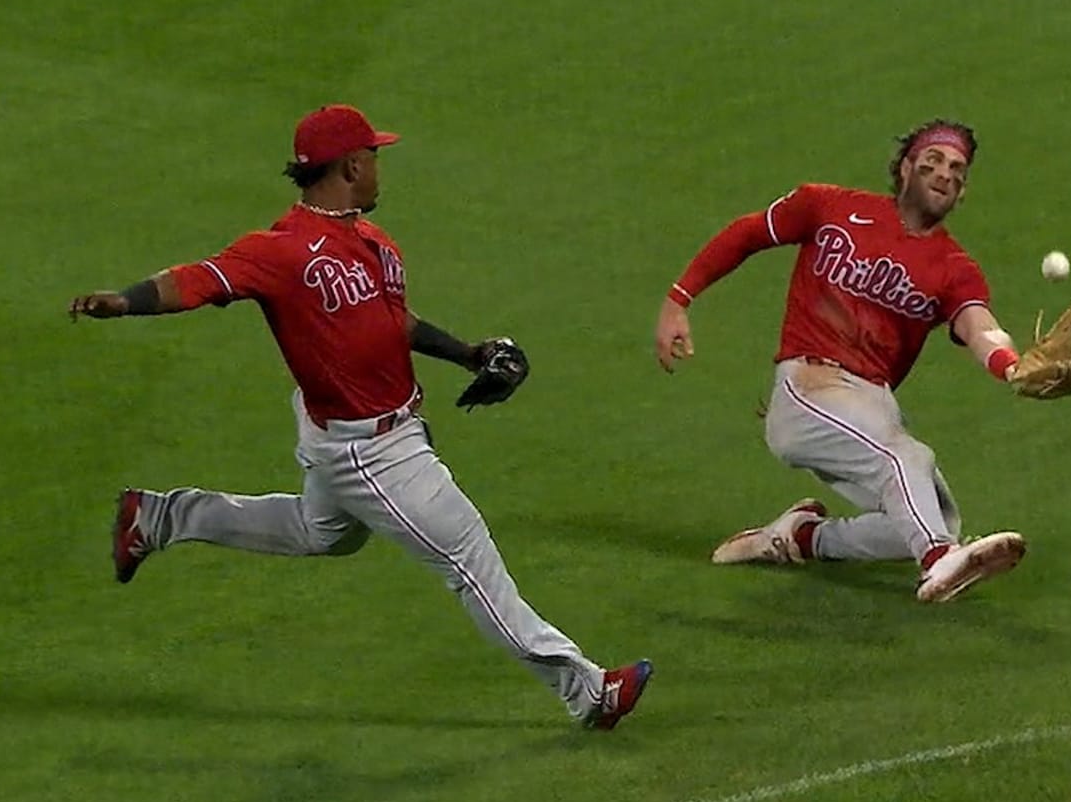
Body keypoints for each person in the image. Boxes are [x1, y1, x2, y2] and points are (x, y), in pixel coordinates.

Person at [69, 104, 651, 728]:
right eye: (373, 155)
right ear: (350, 165)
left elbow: (387, 321)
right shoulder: (280, 251)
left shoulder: (373, 242)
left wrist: (469, 353)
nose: (379, 166)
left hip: (362, 432)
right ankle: (588, 691)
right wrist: (123, 302)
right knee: (468, 554)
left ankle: (157, 516)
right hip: (368, 449)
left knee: (324, 533)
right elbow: (194, 281)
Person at [654, 119, 1028, 603]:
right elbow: (747, 234)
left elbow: (979, 325)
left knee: (928, 515)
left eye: (957, 170)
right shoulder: (830, 207)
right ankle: (937, 558)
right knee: (907, 462)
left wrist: (1010, 365)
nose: (944, 174)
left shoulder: (954, 269)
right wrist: (678, 299)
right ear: (906, 168)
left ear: (963, 191)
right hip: (808, 386)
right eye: (933, 162)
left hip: (873, 404)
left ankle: (802, 538)